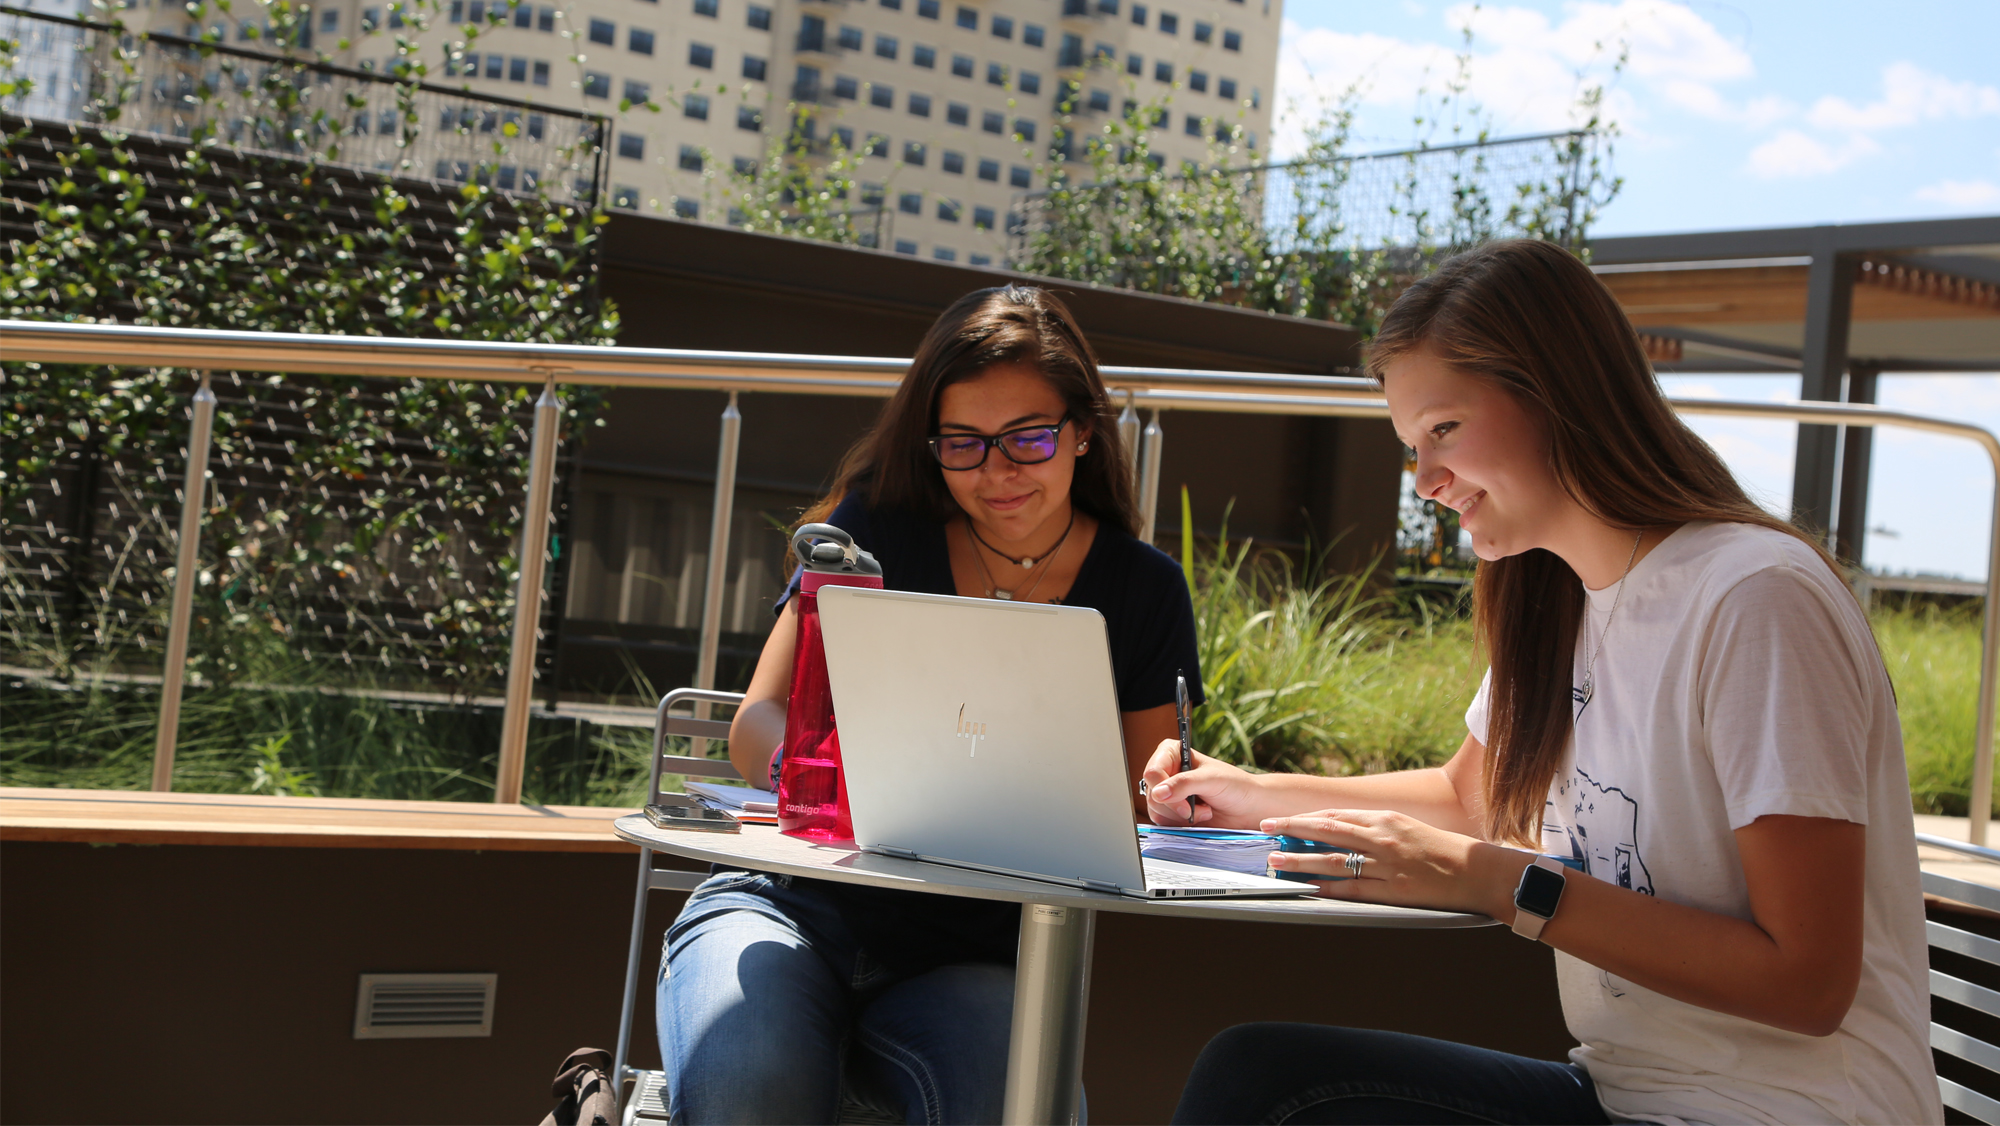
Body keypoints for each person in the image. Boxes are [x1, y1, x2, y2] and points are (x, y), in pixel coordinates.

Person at [1146, 240, 1939, 1126]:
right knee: (1262, 1080)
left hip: (1783, 1115)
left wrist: (1502, 884)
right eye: (1412, 446)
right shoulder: (1562, 599)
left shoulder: (1755, 600)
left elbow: (1808, 979)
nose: (1425, 481)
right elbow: (1472, 799)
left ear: (1556, 391)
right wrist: (1247, 795)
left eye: (1443, 430)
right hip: (1625, 1098)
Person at [658, 285, 1202, 1125]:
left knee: (1013, 1104)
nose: (996, 472)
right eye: (963, 443)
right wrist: (824, 779)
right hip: (793, 904)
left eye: (1028, 437)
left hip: (976, 958)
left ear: (1084, 431)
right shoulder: (877, 529)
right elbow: (755, 723)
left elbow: (1143, 800)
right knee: (751, 1080)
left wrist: (1164, 797)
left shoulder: (1144, 591)